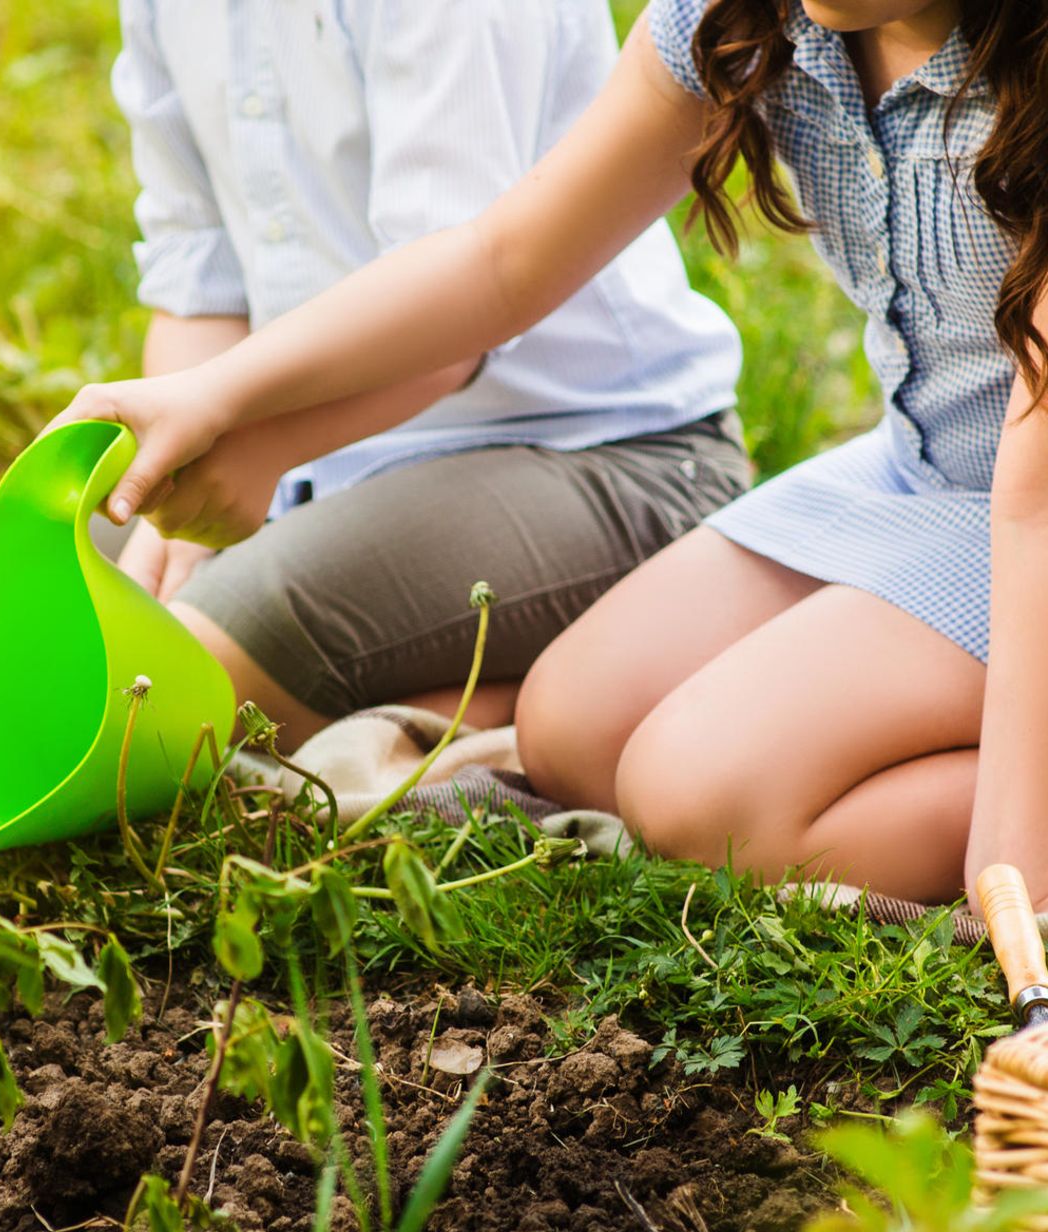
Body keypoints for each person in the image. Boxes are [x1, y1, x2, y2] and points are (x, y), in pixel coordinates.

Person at [59, 0, 1048, 910]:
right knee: (575, 729)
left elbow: (1033, 500)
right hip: (918, 471)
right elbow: (504, 260)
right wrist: (220, 399)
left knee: (698, 801)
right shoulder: (751, 18)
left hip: (1032, 499)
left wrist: (1018, 874)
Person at [106, 0, 746, 744]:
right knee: (51, 596)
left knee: (173, 677)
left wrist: (263, 441)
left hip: (597, 454)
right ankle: (478, 694)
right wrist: (182, 494)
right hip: (320, 455)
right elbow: (198, 268)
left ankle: (555, 699)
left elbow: (461, 309)